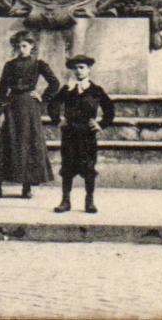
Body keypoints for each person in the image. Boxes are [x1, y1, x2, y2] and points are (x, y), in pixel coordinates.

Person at [0, 29, 58, 199]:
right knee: (6, 143)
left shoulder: (39, 64)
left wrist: (42, 97)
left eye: (25, 45)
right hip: (12, 105)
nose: (21, 49)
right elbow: (2, 89)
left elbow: (55, 83)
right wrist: (1, 110)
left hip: (29, 108)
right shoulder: (10, 65)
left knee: (29, 144)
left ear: (32, 46)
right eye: (18, 46)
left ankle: (27, 187)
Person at [48, 55, 114, 214]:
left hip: (87, 136)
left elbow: (110, 110)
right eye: (75, 68)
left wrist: (100, 124)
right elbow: (52, 105)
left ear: (89, 69)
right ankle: (65, 201)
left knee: (89, 168)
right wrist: (58, 120)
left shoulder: (96, 90)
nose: (78, 71)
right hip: (69, 134)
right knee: (67, 167)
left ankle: (89, 201)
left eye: (82, 67)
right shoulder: (67, 89)